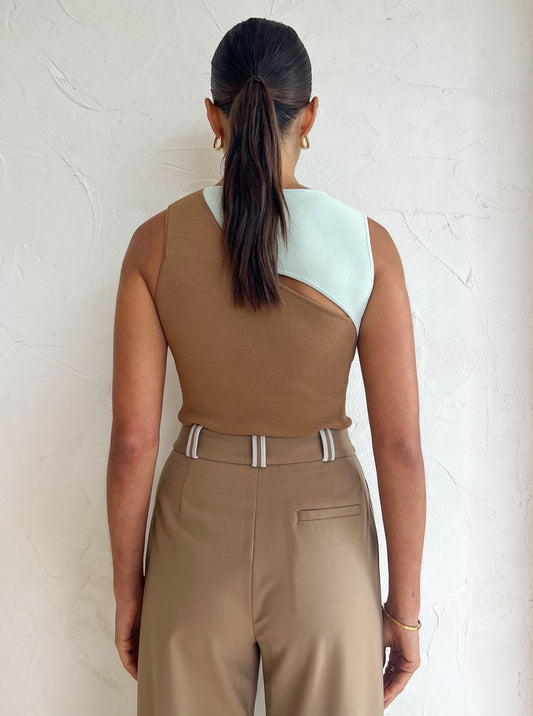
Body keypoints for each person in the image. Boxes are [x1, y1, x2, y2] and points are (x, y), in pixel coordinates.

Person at [107, 16, 426, 716]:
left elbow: (132, 443)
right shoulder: (367, 246)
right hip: (326, 540)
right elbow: (400, 446)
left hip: (194, 534)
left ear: (213, 115)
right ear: (308, 115)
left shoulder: (155, 244)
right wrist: (404, 615)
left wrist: (129, 593)